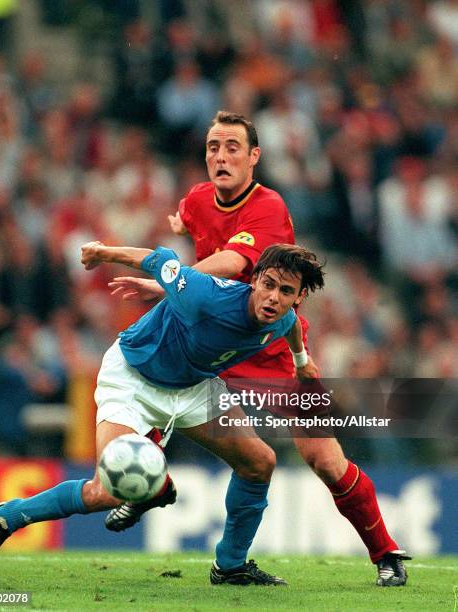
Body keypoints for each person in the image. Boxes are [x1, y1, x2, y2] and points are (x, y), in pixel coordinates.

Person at [105, 110, 411, 587]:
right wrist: (178, 224)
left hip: (272, 350)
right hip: (212, 344)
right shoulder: (197, 199)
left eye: (232, 147)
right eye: (213, 147)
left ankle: (385, 553)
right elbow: (188, 220)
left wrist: (170, 283)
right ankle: (151, 492)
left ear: (254, 157)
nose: (221, 156)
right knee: (158, 394)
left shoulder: (268, 207)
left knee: (327, 461)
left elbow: (230, 260)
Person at [0, 241, 323, 586]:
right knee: (104, 492)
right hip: (133, 378)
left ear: (298, 297)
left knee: (260, 462)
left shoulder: (283, 317)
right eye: (268, 285)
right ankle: (3, 518)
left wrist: (301, 362)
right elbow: (157, 260)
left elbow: (290, 327)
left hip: (192, 387)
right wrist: (102, 252)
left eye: (286, 291)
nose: (274, 297)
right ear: (255, 279)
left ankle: (230, 566)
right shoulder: (207, 294)